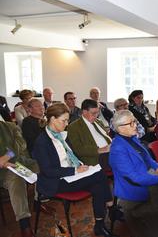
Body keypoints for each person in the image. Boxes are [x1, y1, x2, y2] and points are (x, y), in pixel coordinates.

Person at [32, 103, 116, 237]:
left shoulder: (61, 135)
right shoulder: (42, 142)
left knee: (97, 184)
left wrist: (80, 166)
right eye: (64, 120)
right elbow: (48, 171)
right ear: (53, 119)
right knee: (99, 176)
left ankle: (101, 223)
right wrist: (75, 171)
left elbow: (72, 155)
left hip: (70, 174)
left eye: (67, 120)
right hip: (56, 181)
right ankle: (110, 210)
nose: (66, 124)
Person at [0, 121, 38, 237]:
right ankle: (24, 223)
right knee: (16, 180)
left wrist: (7, 156)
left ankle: (38, 201)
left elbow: (21, 143)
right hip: (3, 171)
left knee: (43, 166)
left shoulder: (9, 126)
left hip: (16, 162)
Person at [67, 99, 112, 171]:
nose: (96, 116)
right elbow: (78, 149)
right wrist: (100, 150)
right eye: (93, 113)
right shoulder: (73, 127)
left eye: (97, 113)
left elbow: (106, 136)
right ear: (84, 112)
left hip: (108, 153)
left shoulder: (98, 122)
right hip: (94, 158)